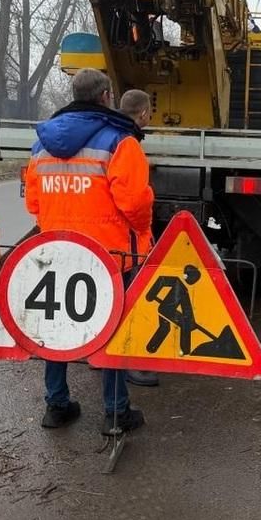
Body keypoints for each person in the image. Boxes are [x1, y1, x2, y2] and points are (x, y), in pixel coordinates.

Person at [25, 69, 152, 434]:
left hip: (56, 251)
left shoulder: (41, 144)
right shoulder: (120, 141)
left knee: (56, 326)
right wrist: (142, 231)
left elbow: (33, 202)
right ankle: (115, 411)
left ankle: (57, 406)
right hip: (108, 256)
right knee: (111, 329)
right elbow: (135, 203)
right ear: (106, 97)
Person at [116, 89, 160, 388]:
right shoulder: (126, 143)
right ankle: (125, 362)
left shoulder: (97, 135)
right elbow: (134, 202)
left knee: (101, 300)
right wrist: (144, 229)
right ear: (143, 113)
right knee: (126, 299)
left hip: (77, 237)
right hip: (119, 240)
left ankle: (96, 353)